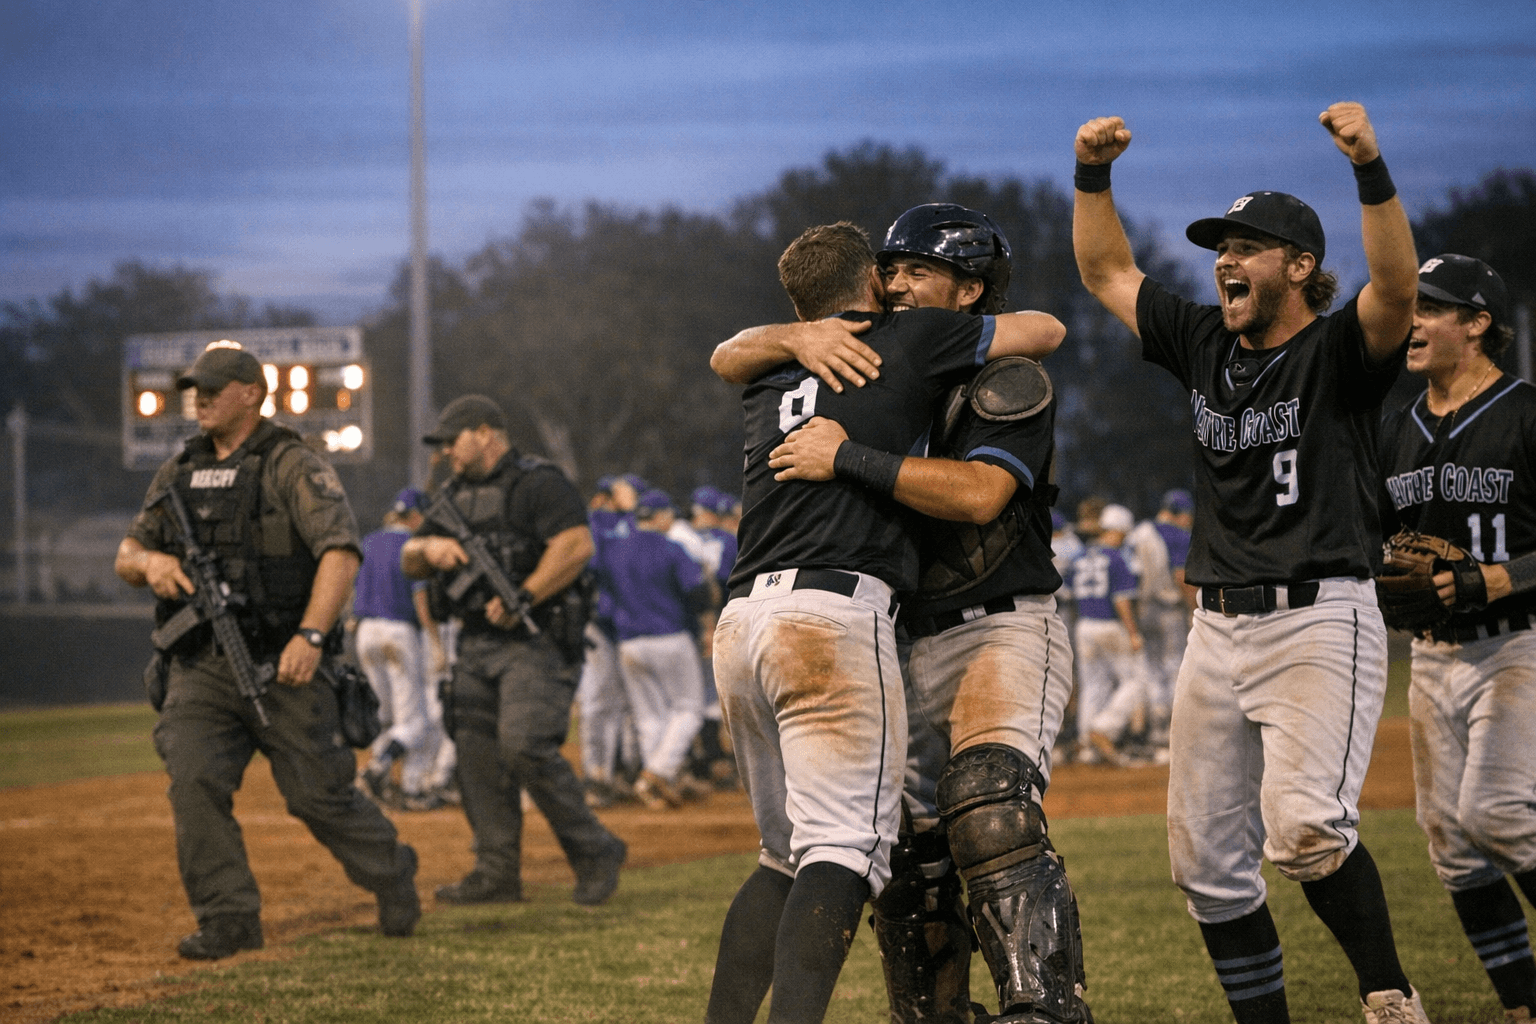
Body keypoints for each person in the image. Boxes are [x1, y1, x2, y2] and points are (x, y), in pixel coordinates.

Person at [1072, 102, 1427, 1023]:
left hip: (1319, 615)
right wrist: (1091, 175)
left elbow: (1394, 290)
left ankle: (1390, 998)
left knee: (1306, 831)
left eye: (1248, 245)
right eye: (1220, 246)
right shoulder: (1203, 344)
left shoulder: (1337, 350)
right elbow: (1107, 269)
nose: (1225, 259)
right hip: (1216, 626)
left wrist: (1370, 168)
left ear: (1300, 267)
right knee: (1204, 867)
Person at [704, 220, 1064, 1024]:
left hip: (742, 618)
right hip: (834, 615)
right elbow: (1050, 326)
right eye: (890, 271)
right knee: (843, 850)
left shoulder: (775, 371)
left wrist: (793, 338)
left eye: (917, 270)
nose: (899, 286)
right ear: (866, 279)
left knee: (785, 857)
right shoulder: (909, 339)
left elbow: (725, 354)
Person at [113, 342, 419, 959]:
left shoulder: (291, 464)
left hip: (284, 663)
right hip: (202, 663)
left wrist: (310, 635)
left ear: (251, 393)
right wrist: (151, 562)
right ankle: (229, 918)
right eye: (193, 389)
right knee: (194, 779)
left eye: (212, 388)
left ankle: (390, 871)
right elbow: (126, 555)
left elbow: (339, 551)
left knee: (317, 796)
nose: (197, 399)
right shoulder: (178, 471)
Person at [1379, 255, 1536, 1020]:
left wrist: (1489, 579)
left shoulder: (1525, 412)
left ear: (1477, 324)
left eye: (1432, 308)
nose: (1412, 320)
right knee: (1451, 845)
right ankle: (1522, 1005)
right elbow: (1377, 541)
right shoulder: (1394, 426)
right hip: (1432, 657)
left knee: (1500, 814)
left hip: (1518, 645)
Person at [402, 394, 627, 906]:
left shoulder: (538, 482)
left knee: (523, 744)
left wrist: (524, 595)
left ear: (485, 433)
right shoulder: (452, 494)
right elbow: (409, 559)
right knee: (476, 758)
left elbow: (574, 546)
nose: (445, 454)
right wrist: (427, 549)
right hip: (476, 642)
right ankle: (496, 872)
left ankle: (595, 851)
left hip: (536, 638)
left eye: (451, 441)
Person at [597, 487, 715, 808]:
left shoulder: (614, 551)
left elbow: (603, 605)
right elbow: (696, 592)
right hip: (671, 636)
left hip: (628, 642)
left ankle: (655, 786)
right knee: (689, 708)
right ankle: (657, 773)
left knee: (650, 716)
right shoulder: (671, 547)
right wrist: (706, 627)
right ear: (662, 517)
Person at [355, 486, 452, 809]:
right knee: (414, 723)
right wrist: (436, 643)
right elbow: (420, 596)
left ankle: (384, 785)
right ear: (413, 516)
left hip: (365, 631)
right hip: (398, 633)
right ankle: (379, 771)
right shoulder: (412, 544)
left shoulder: (369, 542)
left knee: (384, 718)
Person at [1069, 503, 1148, 768]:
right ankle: (1104, 727)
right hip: (1110, 625)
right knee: (1136, 681)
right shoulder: (1117, 557)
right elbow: (1122, 601)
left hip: (1084, 625)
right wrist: (1134, 633)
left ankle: (1087, 745)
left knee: (1093, 684)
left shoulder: (1080, 555)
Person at [578, 476, 641, 807]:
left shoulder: (625, 523)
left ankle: (615, 773)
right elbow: (596, 563)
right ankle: (595, 776)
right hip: (599, 624)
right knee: (597, 701)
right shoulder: (594, 522)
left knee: (620, 703)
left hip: (625, 625)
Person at [1125, 488, 1196, 752]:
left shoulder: (1138, 531)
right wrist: (1192, 608)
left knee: (1152, 670)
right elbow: (1181, 575)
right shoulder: (1176, 534)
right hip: (1168, 608)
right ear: (1178, 513)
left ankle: (1155, 732)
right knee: (1173, 668)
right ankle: (1171, 733)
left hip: (1142, 608)